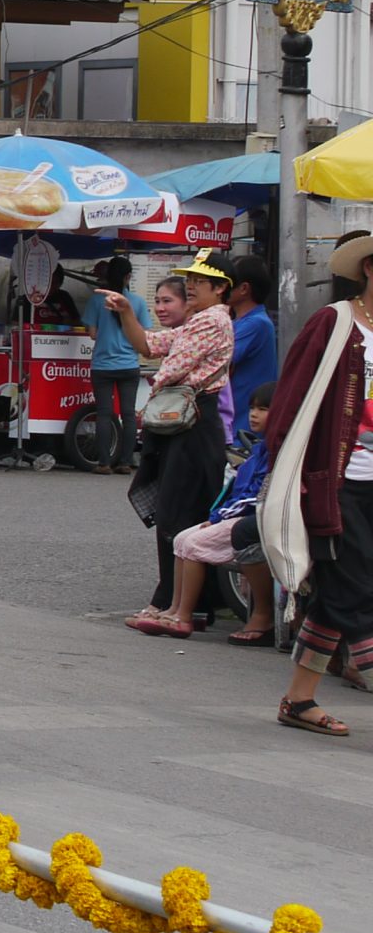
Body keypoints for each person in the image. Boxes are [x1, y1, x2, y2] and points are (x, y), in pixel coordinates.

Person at [257, 232, 373, 736]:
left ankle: (298, 700)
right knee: (358, 588)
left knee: (339, 595)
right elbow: (290, 401)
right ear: (369, 268)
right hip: (339, 480)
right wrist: (288, 473)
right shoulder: (336, 323)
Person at [102, 252, 235, 625]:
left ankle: (171, 605)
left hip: (193, 422)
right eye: (188, 279)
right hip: (185, 423)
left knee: (177, 514)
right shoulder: (201, 321)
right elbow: (149, 345)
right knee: (180, 512)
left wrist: (154, 394)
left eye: (199, 280)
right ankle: (184, 603)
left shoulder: (211, 321)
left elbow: (169, 369)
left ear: (220, 288)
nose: (190, 285)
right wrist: (127, 310)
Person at [131, 392, 279, 642]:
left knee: (193, 543)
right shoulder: (259, 449)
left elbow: (257, 496)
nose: (254, 414)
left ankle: (186, 614)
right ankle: (175, 609)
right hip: (233, 513)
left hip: (249, 516)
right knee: (180, 539)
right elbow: (234, 491)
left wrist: (221, 517)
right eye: (252, 408)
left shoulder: (273, 452)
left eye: (263, 409)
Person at [88, 256, 151, 475]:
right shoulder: (138, 302)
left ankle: (104, 463)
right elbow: (145, 334)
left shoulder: (96, 301)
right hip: (129, 365)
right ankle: (125, 462)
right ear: (128, 277)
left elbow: (93, 334)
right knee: (128, 414)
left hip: (102, 366)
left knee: (104, 414)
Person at [223, 253, 280, 428]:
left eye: (227, 284)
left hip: (244, 422)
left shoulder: (256, 324)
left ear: (244, 289)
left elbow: (220, 360)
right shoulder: (237, 322)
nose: (221, 289)